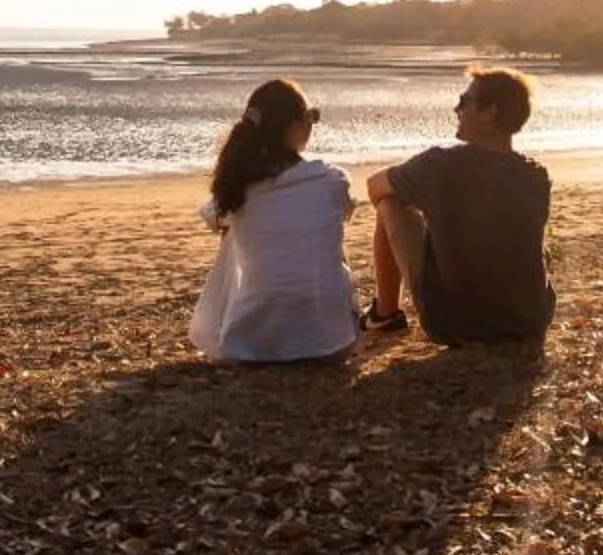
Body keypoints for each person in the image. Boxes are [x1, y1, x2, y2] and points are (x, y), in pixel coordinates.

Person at [362, 66, 552, 343]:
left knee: (390, 200)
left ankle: (384, 313)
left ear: (489, 112)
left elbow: (373, 187)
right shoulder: (536, 176)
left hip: (457, 325)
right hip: (529, 322)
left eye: (465, 102)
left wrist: (426, 211)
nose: (456, 109)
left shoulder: (440, 165)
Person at [189, 77, 359, 363]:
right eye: (309, 117)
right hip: (332, 342)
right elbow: (346, 209)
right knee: (323, 228)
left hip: (250, 345)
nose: (311, 125)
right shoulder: (331, 179)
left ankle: (256, 315)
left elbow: (213, 217)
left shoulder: (239, 187)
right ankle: (309, 316)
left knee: (232, 231)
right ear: (291, 126)